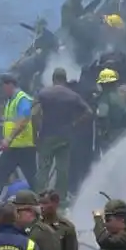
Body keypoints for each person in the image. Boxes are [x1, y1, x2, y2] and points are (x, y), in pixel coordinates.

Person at [35, 68, 92, 199]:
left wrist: (37, 131)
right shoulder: (72, 95)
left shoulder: (43, 93)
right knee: (62, 169)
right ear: (65, 79)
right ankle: (60, 199)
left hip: (46, 135)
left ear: (53, 79)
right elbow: (89, 112)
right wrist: (74, 124)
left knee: (43, 168)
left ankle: (39, 197)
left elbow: (34, 113)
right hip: (65, 136)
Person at [0, 75, 37, 202]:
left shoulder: (22, 99)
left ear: (10, 85)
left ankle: (41, 202)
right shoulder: (10, 101)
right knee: (0, 176)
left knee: (32, 178)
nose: (2, 89)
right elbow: (10, 123)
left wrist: (8, 139)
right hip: (14, 147)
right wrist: (4, 140)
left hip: (23, 147)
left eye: (3, 86)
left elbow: (23, 120)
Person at [94, 68, 126, 154]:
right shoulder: (122, 97)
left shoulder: (104, 98)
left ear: (103, 84)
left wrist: (102, 132)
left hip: (111, 136)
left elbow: (102, 115)